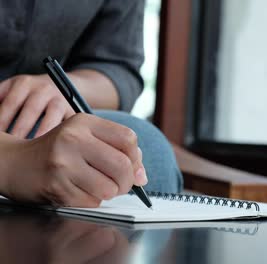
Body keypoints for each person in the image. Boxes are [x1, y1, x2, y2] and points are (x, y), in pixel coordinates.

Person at [0, 1, 182, 207]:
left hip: (44, 116)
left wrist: (67, 88)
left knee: (147, 151)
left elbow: (116, 67)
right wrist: (11, 160)